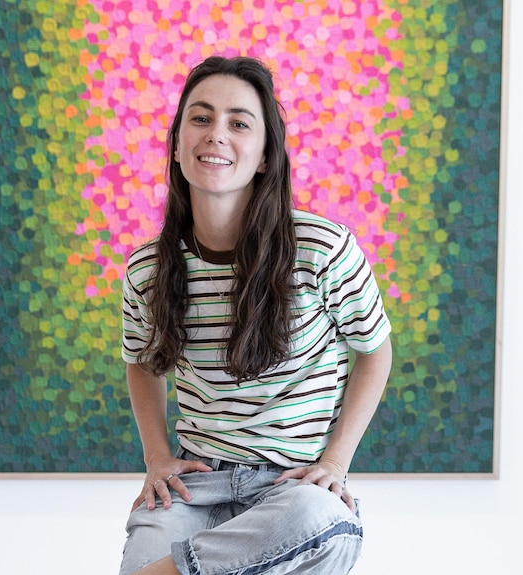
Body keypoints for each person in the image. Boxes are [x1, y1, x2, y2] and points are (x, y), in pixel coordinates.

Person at [119, 55, 393, 575]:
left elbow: (375, 352)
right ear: (177, 145)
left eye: (239, 122)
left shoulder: (323, 247)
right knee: (153, 534)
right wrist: (157, 457)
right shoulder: (147, 269)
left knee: (322, 517)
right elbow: (142, 362)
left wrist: (335, 462)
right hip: (195, 487)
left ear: (266, 155)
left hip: (290, 490)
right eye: (199, 119)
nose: (216, 134)